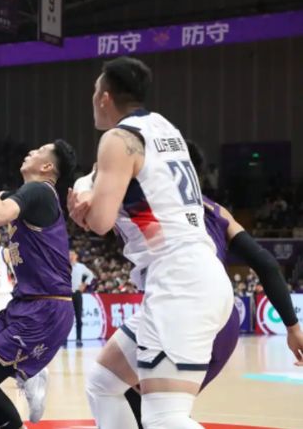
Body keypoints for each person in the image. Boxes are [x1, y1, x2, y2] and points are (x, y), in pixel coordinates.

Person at [82, 141, 303, 428]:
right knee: (111, 385)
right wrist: (292, 327)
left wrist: (93, 183)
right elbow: (265, 263)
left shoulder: (150, 197)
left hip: (186, 308)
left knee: (158, 413)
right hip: (216, 313)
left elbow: (99, 202)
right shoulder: (217, 211)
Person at [68, 56, 234, 428]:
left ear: (105, 97)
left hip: (179, 282)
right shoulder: (163, 128)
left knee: (165, 418)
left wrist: (83, 211)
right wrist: (87, 193)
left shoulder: (117, 139)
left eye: (95, 92)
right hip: (194, 273)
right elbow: (112, 188)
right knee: (103, 382)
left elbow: (100, 222)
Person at [0, 139, 76, 429]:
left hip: (45, 309)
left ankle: (30, 383)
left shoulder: (38, 190)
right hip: (25, 304)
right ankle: (31, 376)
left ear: (47, 166)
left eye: (38, 151)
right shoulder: (32, 195)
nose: (30, 151)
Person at [70, 249, 95, 345]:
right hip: (67, 294)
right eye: (69, 254)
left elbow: (91, 274)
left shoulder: (81, 267)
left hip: (77, 293)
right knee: (66, 318)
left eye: (72, 254)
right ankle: (64, 339)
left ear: (76, 256)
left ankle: (79, 338)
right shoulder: (64, 266)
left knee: (78, 316)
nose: (70, 256)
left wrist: (85, 284)